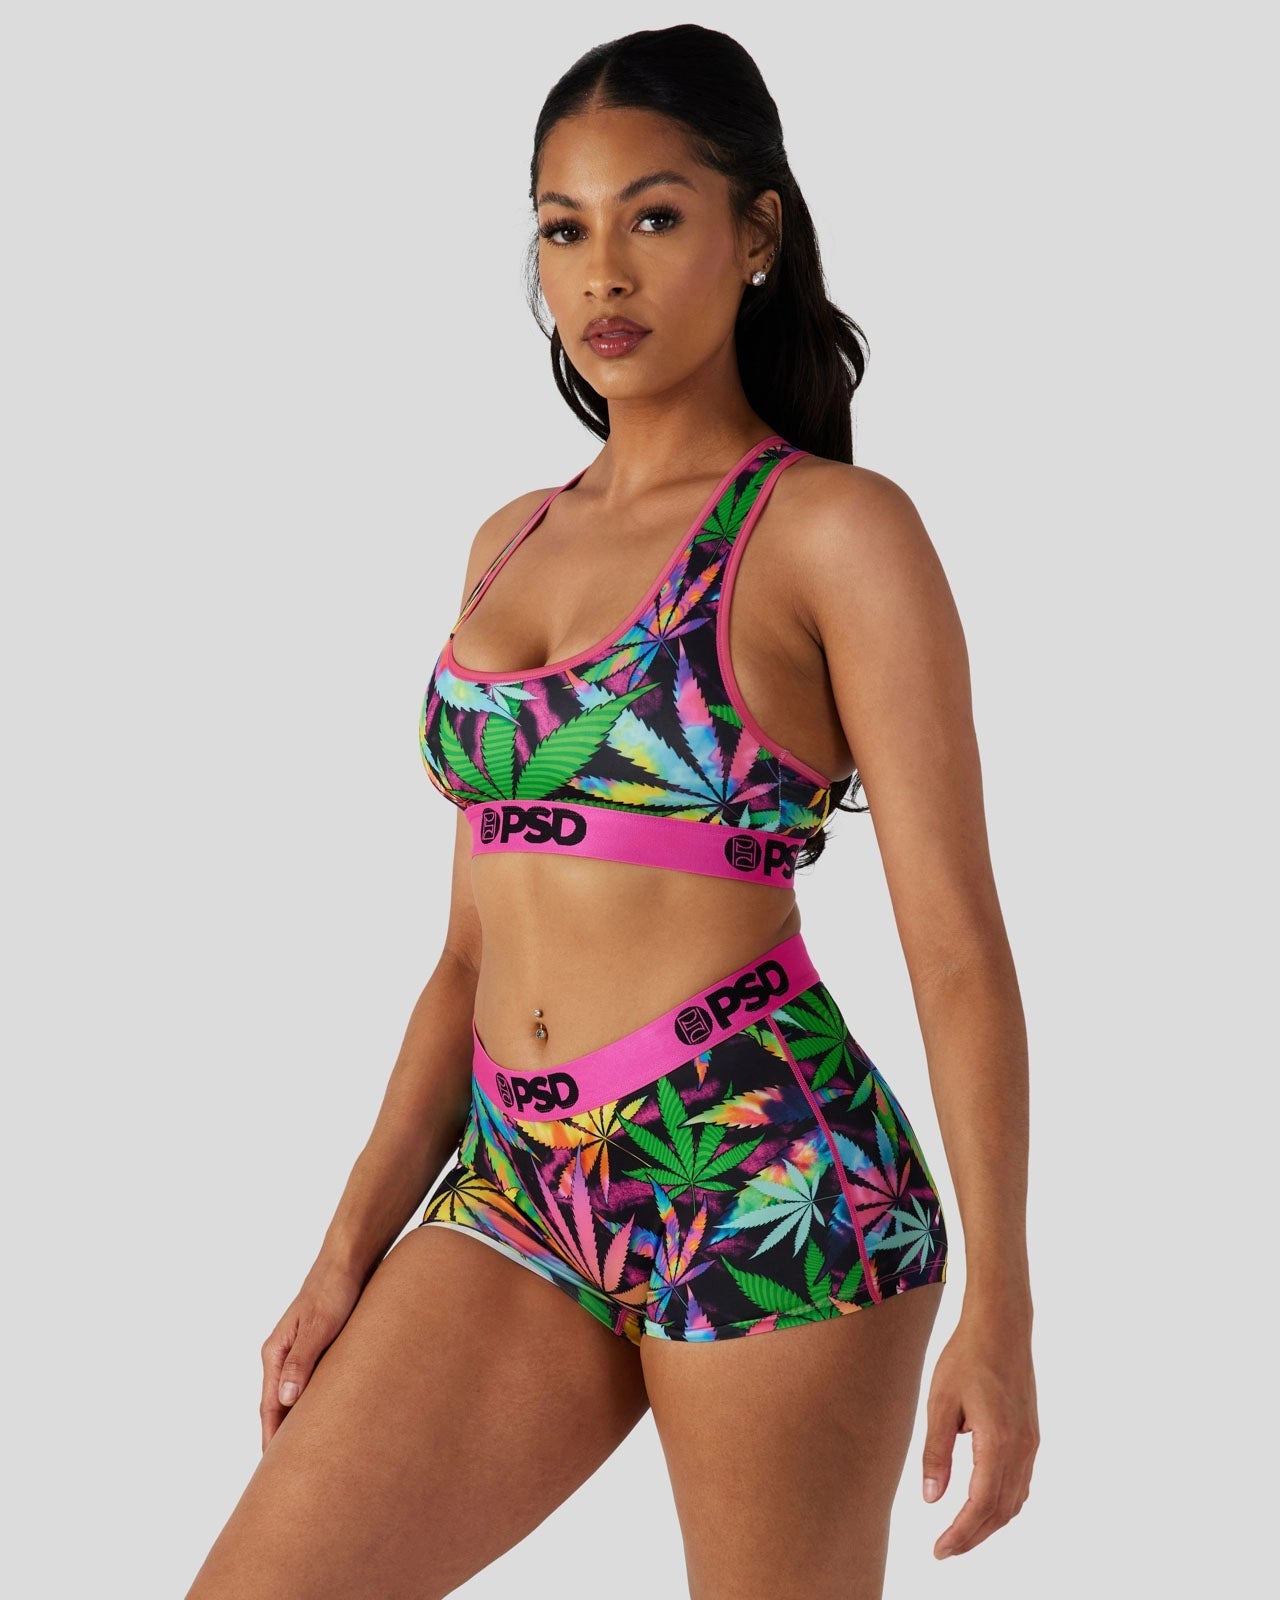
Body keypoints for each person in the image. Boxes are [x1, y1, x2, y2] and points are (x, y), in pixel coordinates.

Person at [187, 23, 1038, 1600]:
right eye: (564, 230)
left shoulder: (833, 532)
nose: (603, 275)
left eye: (653, 216)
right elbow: (466, 959)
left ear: (756, 233)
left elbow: (957, 949)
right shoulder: (507, 542)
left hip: (769, 1181)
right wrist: (342, 1254)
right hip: (518, 1180)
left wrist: (1005, 1305)